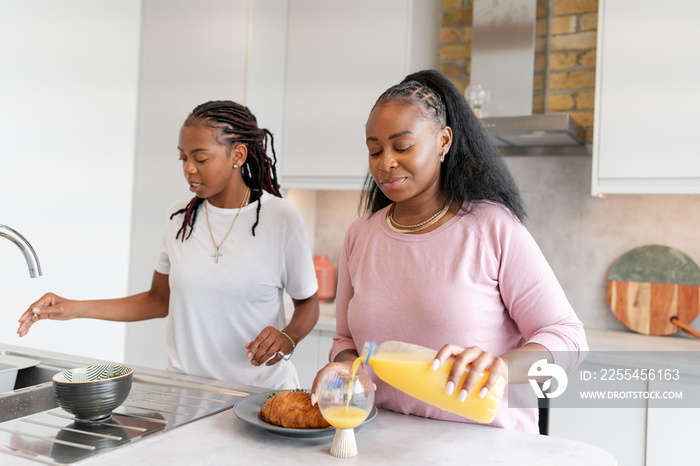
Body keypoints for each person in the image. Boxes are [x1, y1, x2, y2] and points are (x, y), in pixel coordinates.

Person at [311, 70, 587, 432]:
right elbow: (346, 340)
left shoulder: (492, 228)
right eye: (374, 150)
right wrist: (345, 364)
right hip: (380, 440)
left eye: (402, 146)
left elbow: (568, 337)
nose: (385, 162)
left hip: (483, 449)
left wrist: (501, 367)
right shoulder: (360, 235)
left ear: (443, 142)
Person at [17, 100, 320, 390]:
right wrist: (71, 308)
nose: (188, 168)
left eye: (200, 158)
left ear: (238, 155)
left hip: (259, 392)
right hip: (187, 390)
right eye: (183, 158)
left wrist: (288, 337)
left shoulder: (280, 217)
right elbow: (157, 301)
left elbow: (308, 303)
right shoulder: (179, 218)